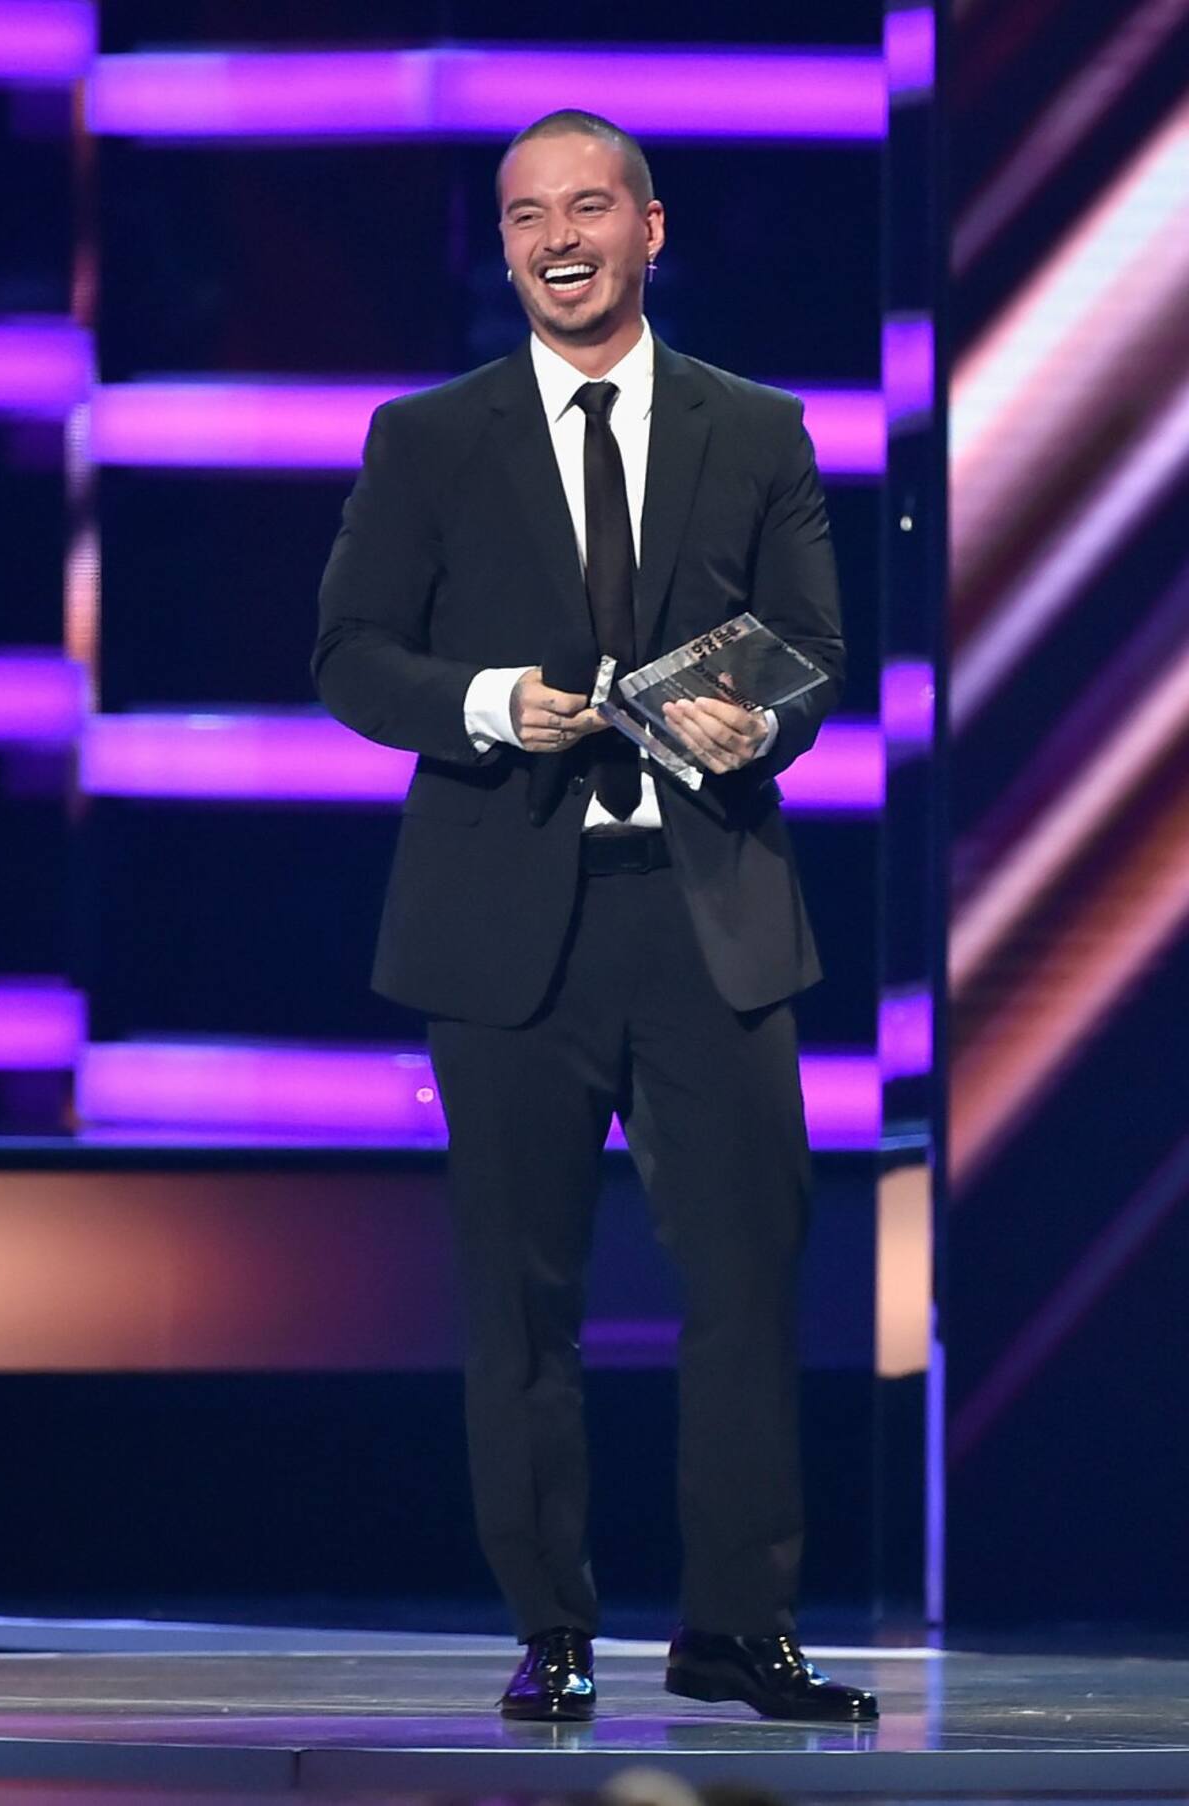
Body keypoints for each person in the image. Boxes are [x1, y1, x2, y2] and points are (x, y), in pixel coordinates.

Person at [313, 109, 876, 1726]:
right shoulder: (429, 438)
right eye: (525, 216)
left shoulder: (755, 429)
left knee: (749, 1285)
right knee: (521, 1298)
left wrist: (760, 723)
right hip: (504, 929)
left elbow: (817, 650)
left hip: (710, 920)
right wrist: (490, 700)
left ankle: (739, 1631)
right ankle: (552, 1627)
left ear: (649, 226)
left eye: (586, 207)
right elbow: (350, 655)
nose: (558, 239)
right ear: (505, 248)